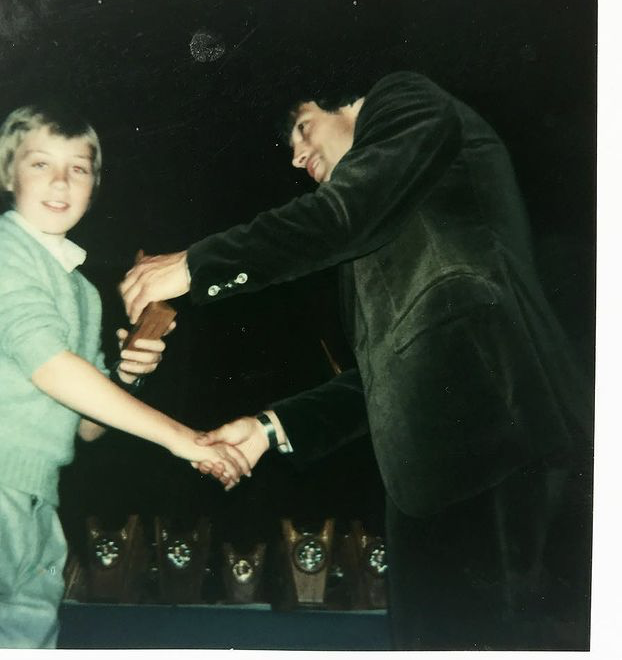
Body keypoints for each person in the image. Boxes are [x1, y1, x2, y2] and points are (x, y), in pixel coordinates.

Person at [120, 71, 593, 650]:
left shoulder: (408, 102)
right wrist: (268, 430)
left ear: (346, 102)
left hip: (499, 429)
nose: (297, 158)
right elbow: (378, 382)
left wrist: (196, 264)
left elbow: (344, 215)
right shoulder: (368, 247)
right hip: (426, 476)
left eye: (302, 128)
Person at [0, 103, 249, 649]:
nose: (60, 181)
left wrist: (129, 373)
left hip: (38, 506)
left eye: (78, 168)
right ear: (8, 173)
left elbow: (86, 427)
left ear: (93, 184)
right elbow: (51, 368)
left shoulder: (82, 293)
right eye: (40, 164)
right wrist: (185, 439)